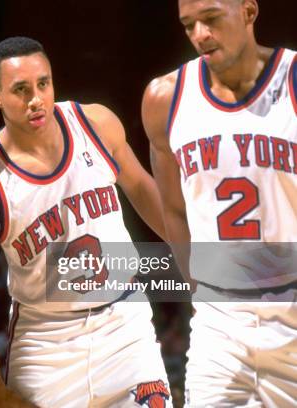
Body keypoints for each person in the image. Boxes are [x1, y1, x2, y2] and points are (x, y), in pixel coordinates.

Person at [0, 37, 173, 408]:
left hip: (123, 322)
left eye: (43, 83)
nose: (36, 99)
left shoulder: (96, 124)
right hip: (44, 343)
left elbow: (140, 186)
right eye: (21, 90)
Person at [141, 0, 296, 406]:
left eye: (210, 19)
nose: (199, 35)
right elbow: (173, 209)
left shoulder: (292, 80)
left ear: (248, 11)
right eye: (189, 24)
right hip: (219, 321)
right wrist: (201, 293)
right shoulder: (164, 99)